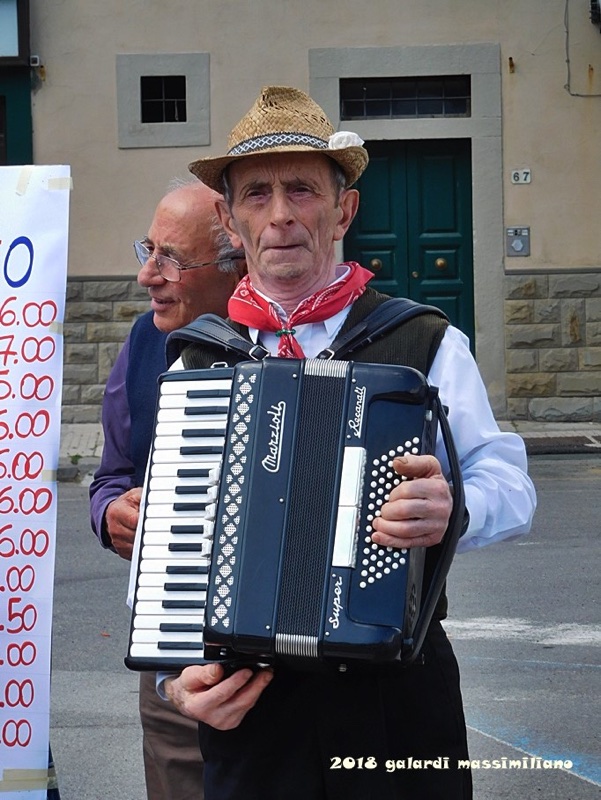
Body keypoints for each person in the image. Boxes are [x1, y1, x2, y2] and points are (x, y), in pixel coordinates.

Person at [161, 86, 537, 800]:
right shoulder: (198, 363)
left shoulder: (422, 340)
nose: (280, 216)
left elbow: (511, 484)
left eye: (302, 190)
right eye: (257, 195)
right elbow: (173, 548)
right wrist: (176, 676)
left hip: (397, 700)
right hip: (249, 707)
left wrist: (450, 505)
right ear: (228, 220)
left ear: (344, 209)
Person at [89, 180, 245, 800]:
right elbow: (111, 475)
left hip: (301, 682)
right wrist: (110, 514)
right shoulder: (145, 342)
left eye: (171, 258)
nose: (146, 275)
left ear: (235, 265)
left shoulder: (305, 342)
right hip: (174, 662)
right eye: (147, 250)